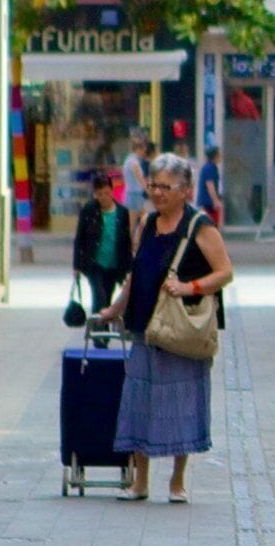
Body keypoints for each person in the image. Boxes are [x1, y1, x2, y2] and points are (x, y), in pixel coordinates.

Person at [113, 153, 233, 503]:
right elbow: (136, 272)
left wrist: (189, 287)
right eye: (153, 185)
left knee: (181, 402)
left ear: (185, 190)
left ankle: (177, 481)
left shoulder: (200, 226)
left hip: (182, 331)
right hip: (145, 326)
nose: (157, 192)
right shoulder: (148, 223)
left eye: (165, 186)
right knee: (140, 400)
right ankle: (140, 482)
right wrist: (117, 306)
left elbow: (225, 272)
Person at [68, 169, 131, 326]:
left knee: (108, 297)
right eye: (100, 194)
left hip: (115, 265)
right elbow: (79, 239)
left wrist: (129, 267)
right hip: (94, 263)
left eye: (106, 193)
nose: (104, 197)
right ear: (95, 194)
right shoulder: (89, 211)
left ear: (111, 191)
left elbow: (126, 242)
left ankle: (103, 328)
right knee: (99, 296)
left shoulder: (122, 213)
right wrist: (76, 266)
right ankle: (99, 335)